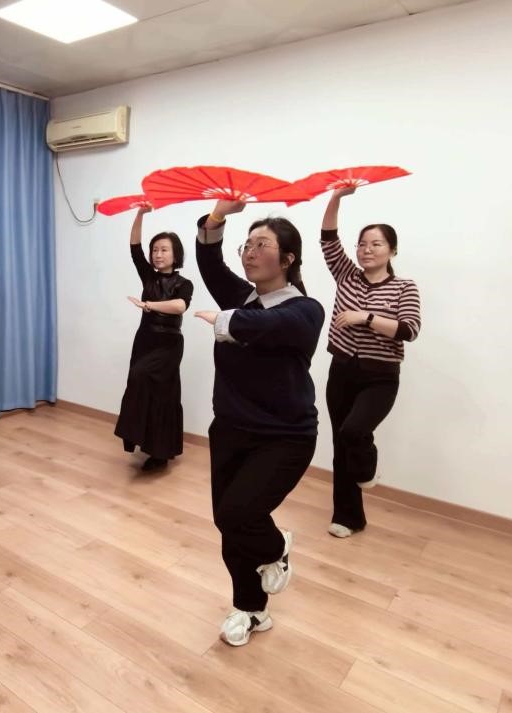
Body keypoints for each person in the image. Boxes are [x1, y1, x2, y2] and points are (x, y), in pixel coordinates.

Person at [192, 199, 326, 647]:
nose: (249, 252)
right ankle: (250, 609)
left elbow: (273, 326)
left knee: (239, 513)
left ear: (287, 259)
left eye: (261, 245)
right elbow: (210, 263)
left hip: (285, 437)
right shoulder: (242, 299)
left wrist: (225, 320)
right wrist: (217, 217)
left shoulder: (306, 309)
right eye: (247, 245)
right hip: (231, 430)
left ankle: (276, 548)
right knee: (229, 523)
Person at [320, 186, 422, 538]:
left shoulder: (404, 287)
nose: (367, 249)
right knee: (340, 442)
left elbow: (409, 330)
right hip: (341, 371)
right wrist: (336, 199)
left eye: (376, 244)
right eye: (362, 244)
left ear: (392, 250)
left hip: (380, 377)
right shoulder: (346, 275)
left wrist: (365, 317)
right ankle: (348, 517)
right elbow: (328, 239)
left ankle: (366, 470)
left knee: (354, 432)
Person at [115, 205, 194, 472]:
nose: (158, 254)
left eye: (164, 250)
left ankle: (162, 452)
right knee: (140, 385)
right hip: (145, 339)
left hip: (169, 344)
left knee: (162, 393)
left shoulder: (184, 283)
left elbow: (180, 306)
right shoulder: (148, 276)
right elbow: (134, 246)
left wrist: (149, 305)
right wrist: (140, 214)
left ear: (175, 254)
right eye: (155, 250)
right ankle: (148, 445)